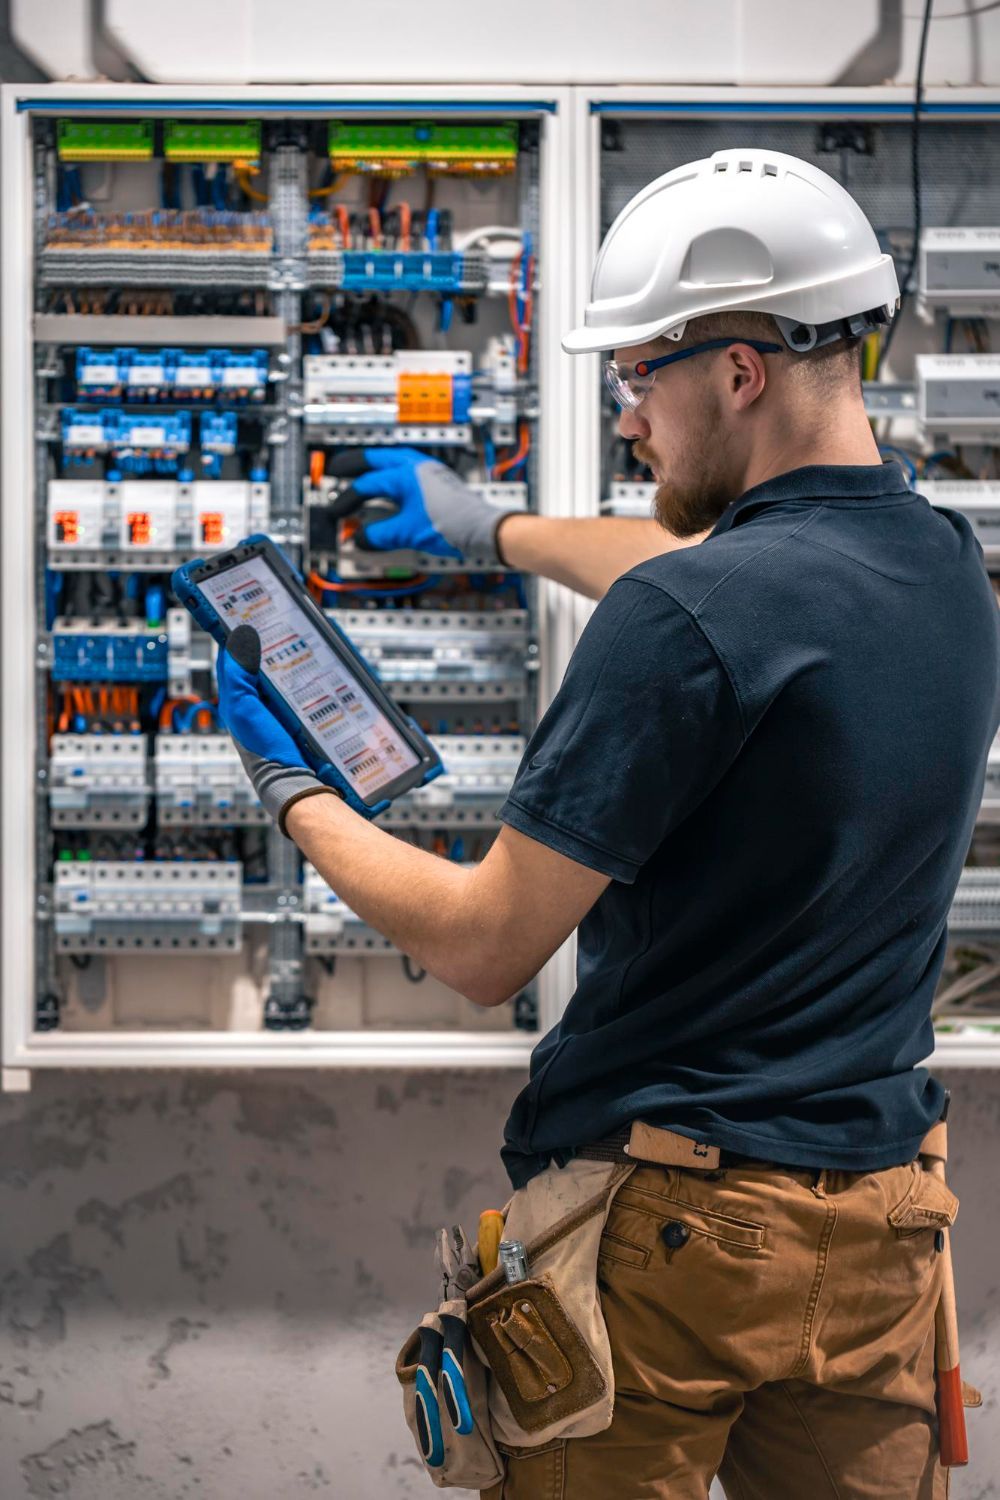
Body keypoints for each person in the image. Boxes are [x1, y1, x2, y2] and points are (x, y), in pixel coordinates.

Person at [216, 148, 999, 1497]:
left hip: (675, 1250)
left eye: (638, 378)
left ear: (738, 372)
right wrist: (495, 530)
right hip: (884, 1232)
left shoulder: (680, 624)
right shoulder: (943, 566)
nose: (629, 417)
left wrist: (296, 791)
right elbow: (735, 585)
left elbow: (479, 949)